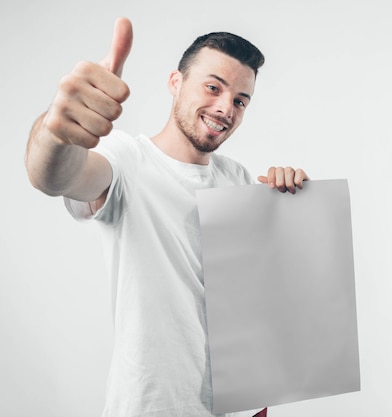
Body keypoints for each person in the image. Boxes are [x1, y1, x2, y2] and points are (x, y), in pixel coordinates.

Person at [25, 17, 307, 417]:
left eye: (241, 100)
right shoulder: (127, 160)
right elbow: (55, 176)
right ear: (176, 82)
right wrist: (57, 135)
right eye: (213, 87)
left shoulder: (238, 179)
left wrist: (295, 205)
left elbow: (261, 298)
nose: (226, 107)